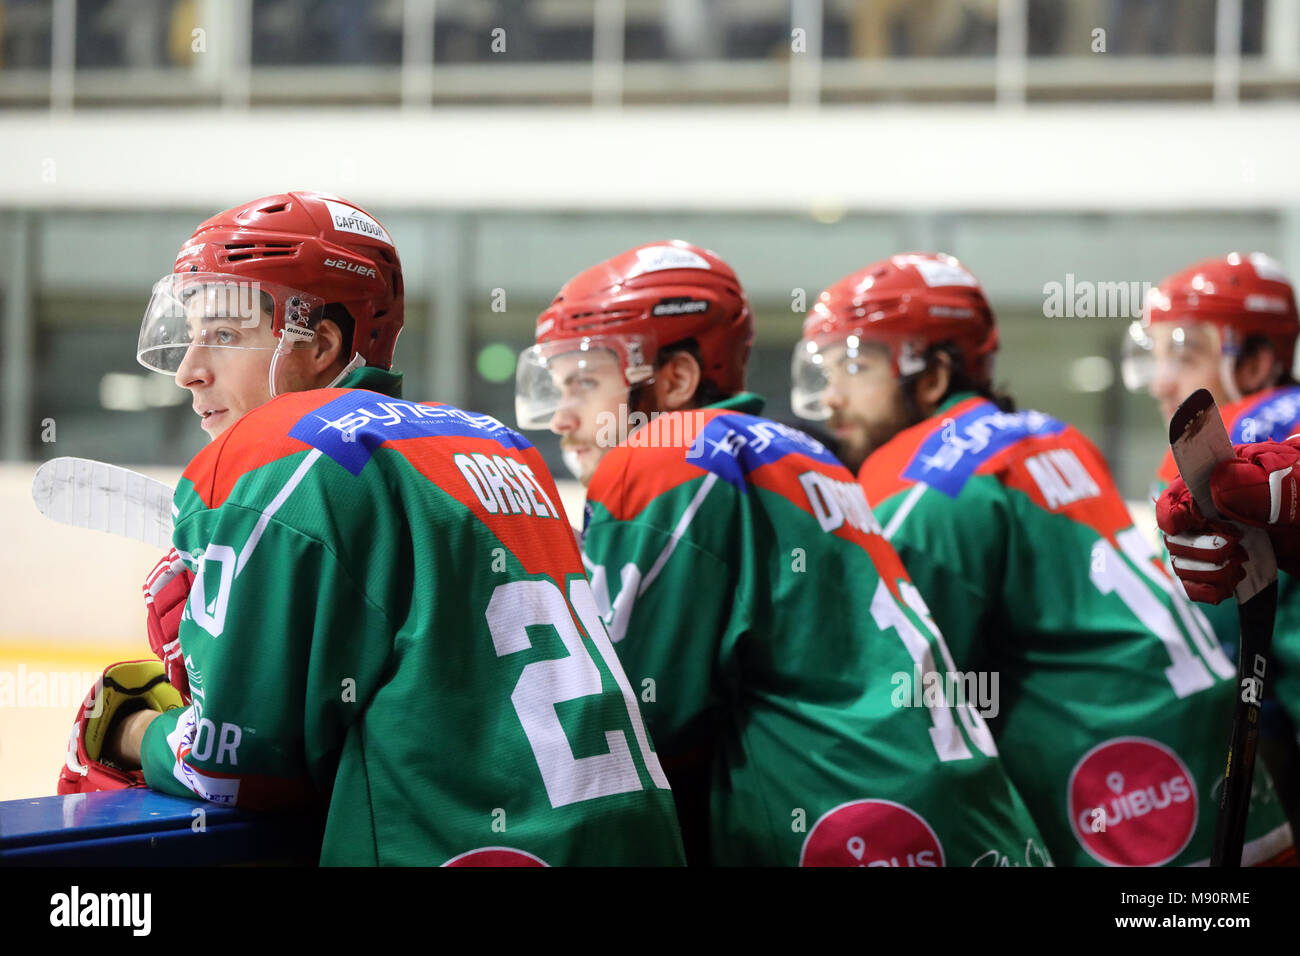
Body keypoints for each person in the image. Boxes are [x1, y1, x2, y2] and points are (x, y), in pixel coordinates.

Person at [57, 191, 685, 866]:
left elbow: (233, 767)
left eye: (226, 335)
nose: (189, 371)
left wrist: (128, 729)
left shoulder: (278, 453)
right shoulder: (499, 444)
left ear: (322, 343)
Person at [514, 239, 1048, 866]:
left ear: (677, 379)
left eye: (583, 383)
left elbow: (628, 727)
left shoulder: (668, 455)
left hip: (852, 833)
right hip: (966, 821)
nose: (561, 419)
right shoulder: (805, 455)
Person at [794, 251, 1294, 865]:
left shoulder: (926, 484)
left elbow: (888, 698)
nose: (832, 397)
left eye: (855, 365)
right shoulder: (1052, 434)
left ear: (929, 377)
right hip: (1228, 789)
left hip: (1126, 818)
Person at [1124, 251, 1300, 835]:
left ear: (1254, 362)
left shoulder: (1238, 447)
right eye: (1157, 354)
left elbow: (1226, 655)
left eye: (1184, 352)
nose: (1161, 381)